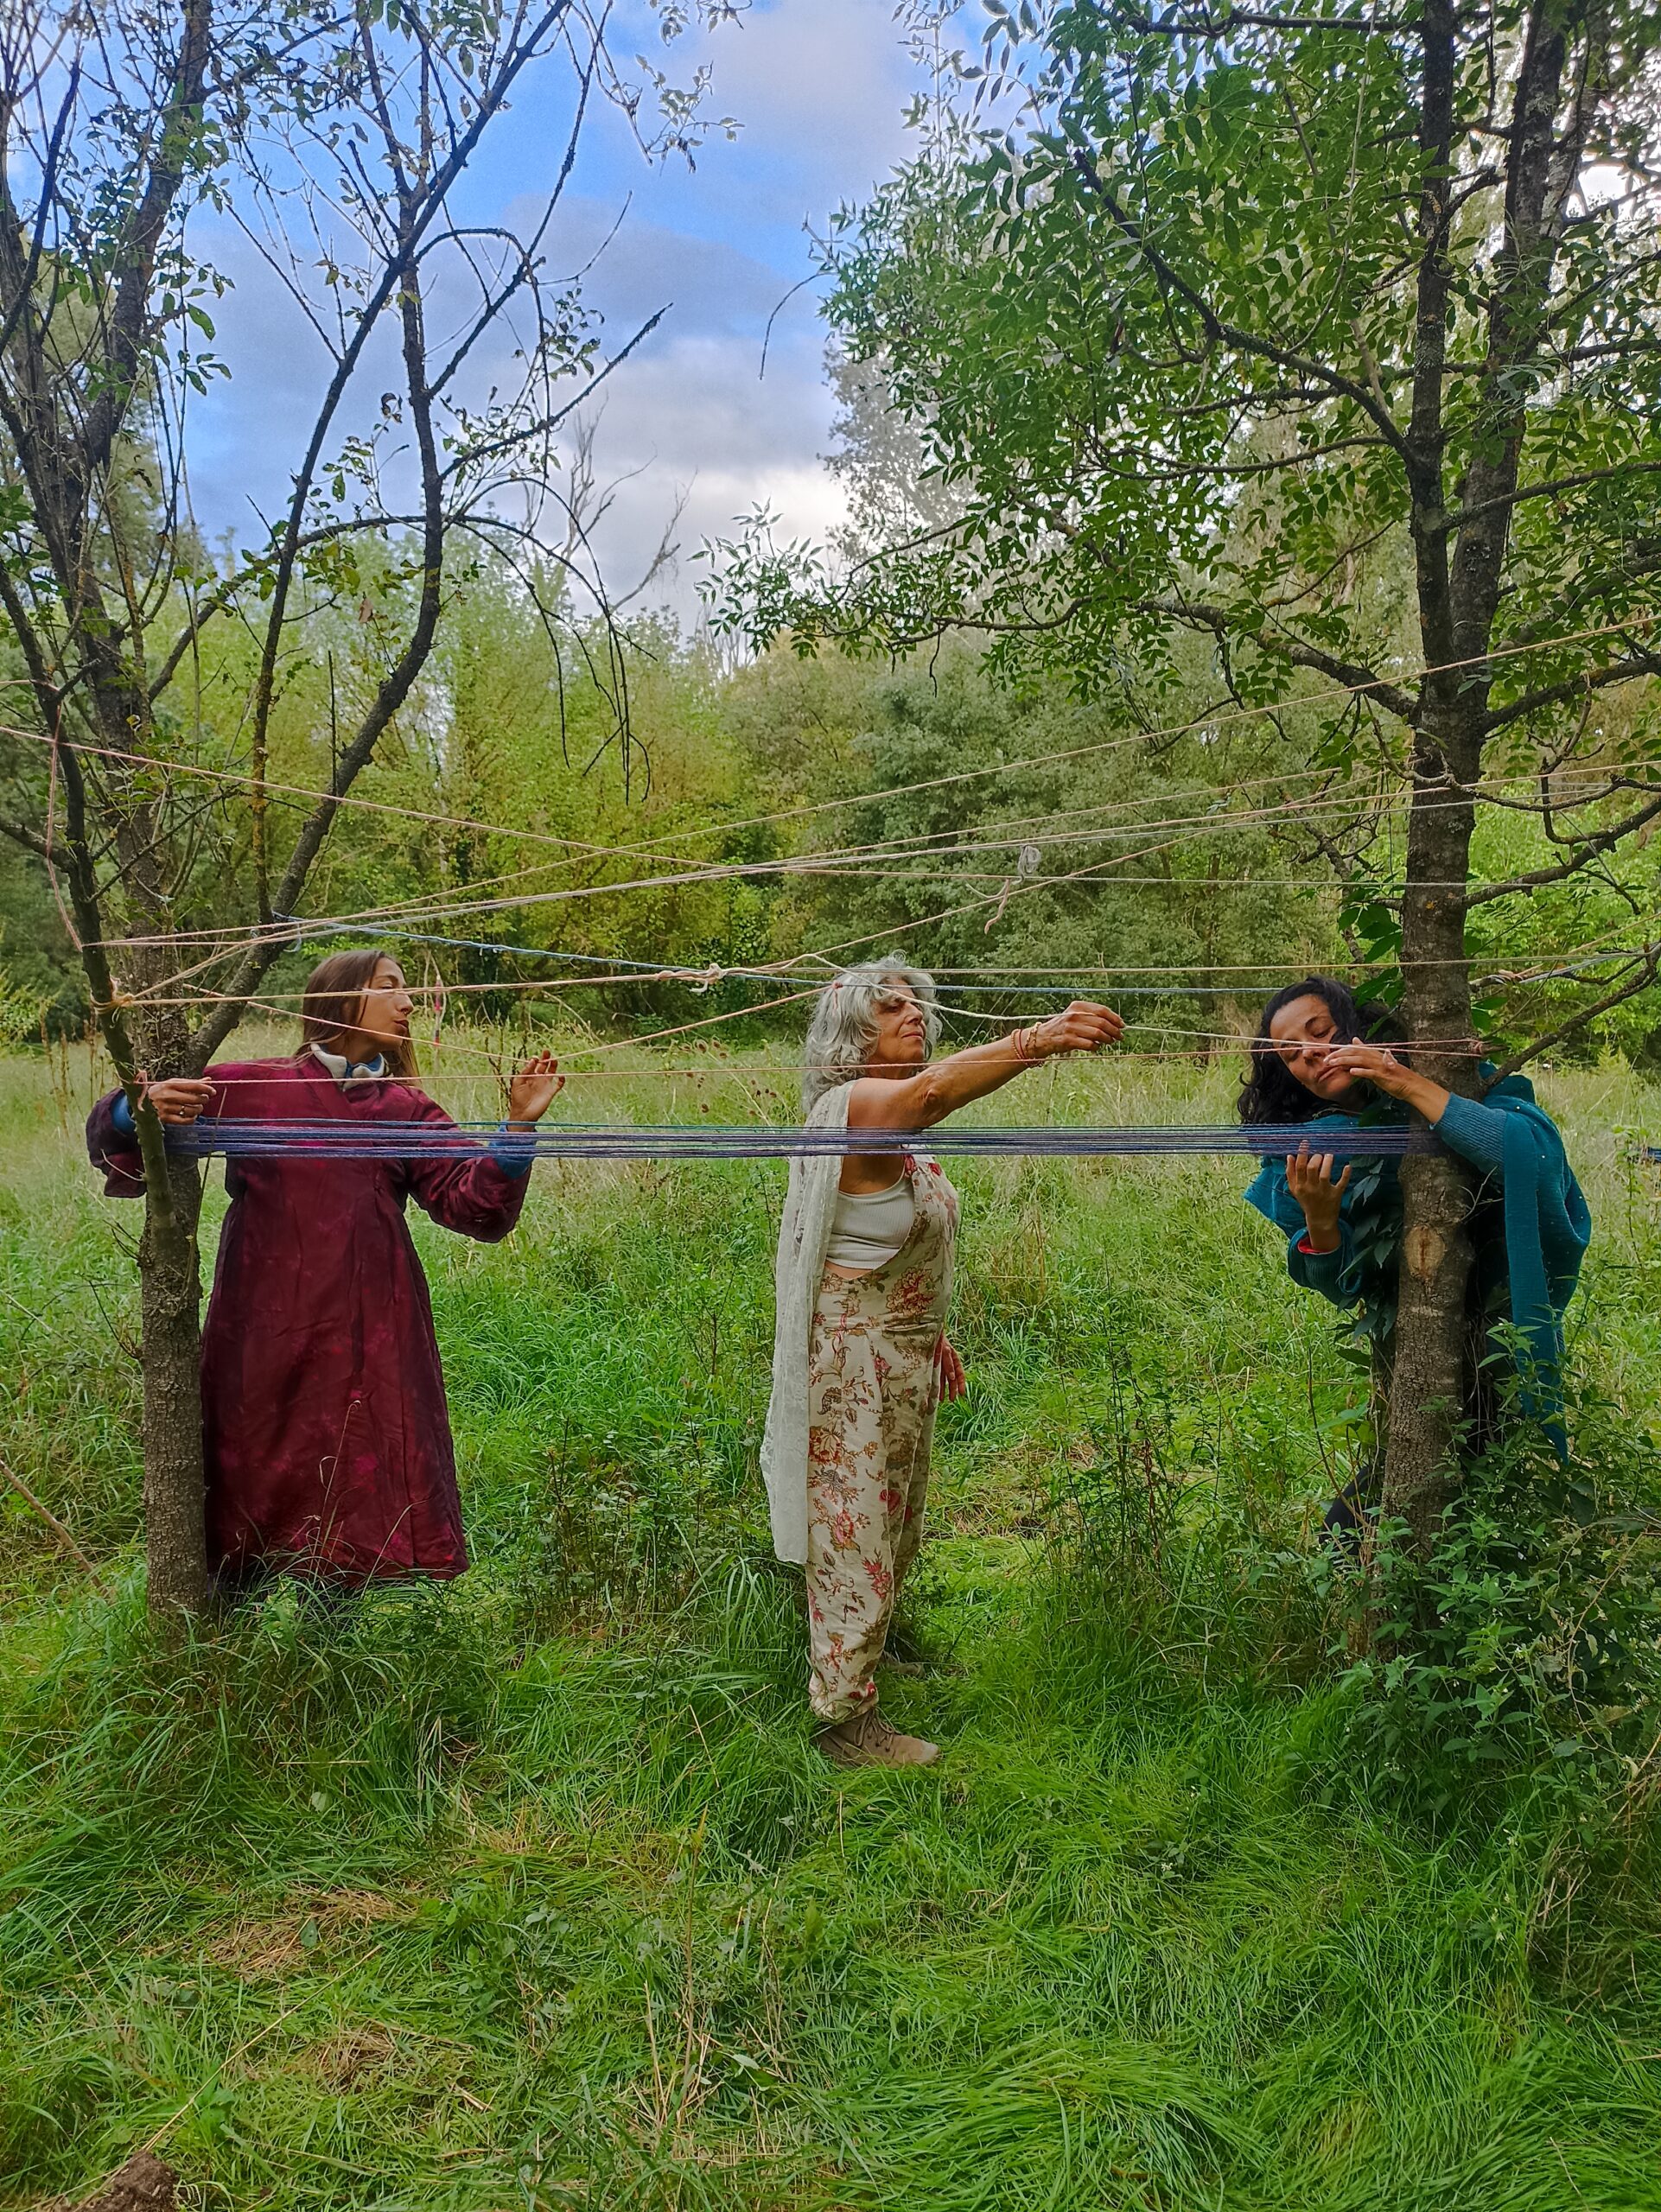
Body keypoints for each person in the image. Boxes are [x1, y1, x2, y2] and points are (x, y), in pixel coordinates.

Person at [86, 950, 563, 1596]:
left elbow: (475, 1205)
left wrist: (517, 1127)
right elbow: (122, 1139)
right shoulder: (252, 1087)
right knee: (251, 1454)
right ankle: (232, 1617)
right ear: (340, 1000)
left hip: (369, 1320)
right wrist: (138, 1107)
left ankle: (331, 1628)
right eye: (391, 987)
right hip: (262, 1318)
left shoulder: (405, 1109)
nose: (408, 1003)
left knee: (355, 1462)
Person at [762, 957, 1123, 1768]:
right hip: (854, 1370)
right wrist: (1039, 1039)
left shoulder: (898, 1133)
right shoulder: (857, 1108)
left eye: (915, 1004)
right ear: (853, 1037)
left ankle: (869, 1655)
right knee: (852, 1533)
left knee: (892, 1521)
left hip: (899, 1356)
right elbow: (931, 1094)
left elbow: (874, 1246)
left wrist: (934, 1332)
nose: (913, 1016)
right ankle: (845, 1724)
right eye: (889, 1009)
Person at [1239, 976, 1590, 1539]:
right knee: (1361, 1531)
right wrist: (1321, 1222)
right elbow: (1342, 1284)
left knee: (1469, 1503)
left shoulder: (1459, 1083)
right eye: (1290, 1054)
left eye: (1320, 1031)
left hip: (1495, 1336)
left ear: (1357, 1027)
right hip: (1412, 1352)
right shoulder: (1304, 1158)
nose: (1310, 1053)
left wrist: (1403, 1083)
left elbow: (1529, 1157)